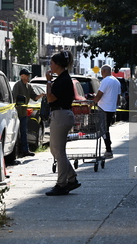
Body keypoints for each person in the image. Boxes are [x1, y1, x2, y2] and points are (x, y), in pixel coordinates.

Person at [45, 50, 81, 196]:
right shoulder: (62, 78)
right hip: (60, 114)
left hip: (61, 114)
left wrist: (48, 81)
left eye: (52, 63)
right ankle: (71, 178)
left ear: (58, 65)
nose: (50, 65)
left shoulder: (63, 79)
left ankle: (62, 183)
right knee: (55, 150)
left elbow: (50, 98)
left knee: (59, 151)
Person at [12, 68, 44, 157]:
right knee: (16, 132)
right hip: (16, 113)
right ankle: (16, 152)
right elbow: (14, 98)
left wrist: (41, 95)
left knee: (24, 132)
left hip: (24, 114)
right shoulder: (17, 85)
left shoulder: (29, 86)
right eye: (27, 75)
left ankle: (25, 151)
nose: (28, 77)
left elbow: (34, 97)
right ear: (22, 76)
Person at [93, 64, 121, 159]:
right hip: (112, 109)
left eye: (101, 72)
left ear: (104, 71)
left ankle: (108, 149)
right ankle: (108, 144)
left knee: (103, 129)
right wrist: (115, 106)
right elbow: (118, 97)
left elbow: (99, 94)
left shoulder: (105, 81)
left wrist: (93, 103)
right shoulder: (116, 81)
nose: (101, 74)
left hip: (103, 109)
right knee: (105, 128)